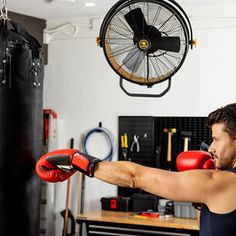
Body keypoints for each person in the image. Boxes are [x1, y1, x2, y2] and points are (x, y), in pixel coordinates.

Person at [36, 103, 236, 236]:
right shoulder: (220, 185)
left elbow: (134, 176)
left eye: (216, 140)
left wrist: (76, 160)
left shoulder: (223, 182)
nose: (211, 148)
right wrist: (199, 201)